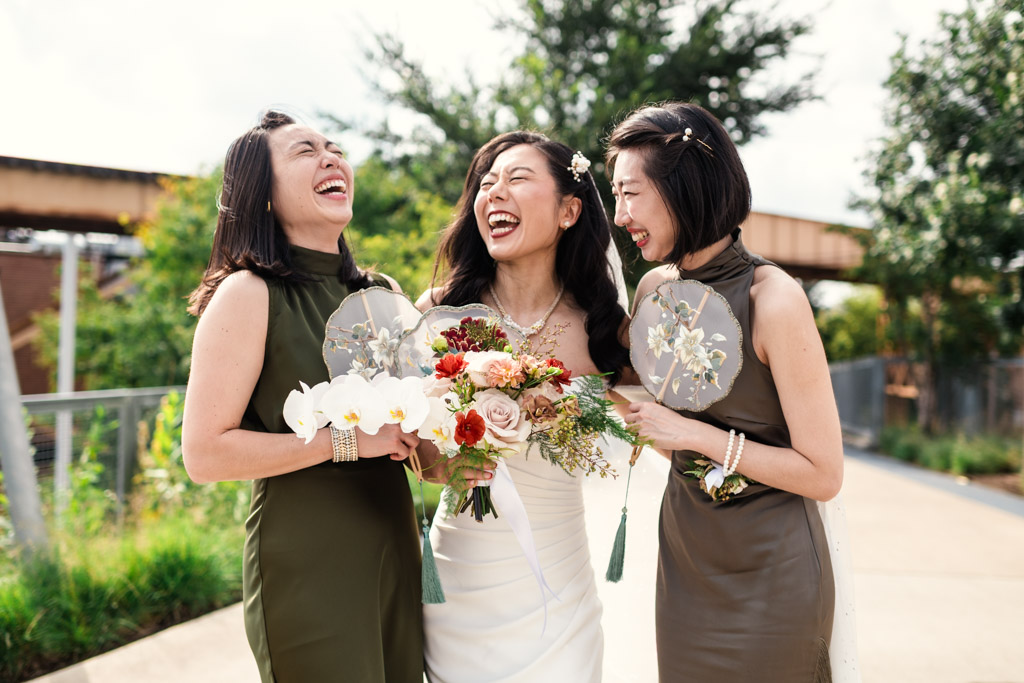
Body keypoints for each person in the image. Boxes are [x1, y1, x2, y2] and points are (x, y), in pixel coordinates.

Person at [181, 110, 423, 682]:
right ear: (262, 193)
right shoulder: (248, 293)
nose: (331, 157)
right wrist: (344, 442)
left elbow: (416, 417)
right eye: (304, 151)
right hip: (307, 561)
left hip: (394, 546)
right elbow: (205, 454)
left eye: (334, 147)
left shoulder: (383, 294)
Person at [609, 102, 845, 682]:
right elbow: (669, 439)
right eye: (614, 196)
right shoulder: (653, 290)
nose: (619, 216)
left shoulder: (776, 300)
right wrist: (573, 391)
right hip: (687, 566)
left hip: (775, 573)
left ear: (684, 187)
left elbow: (823, 473)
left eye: (630, 194)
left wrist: (697, 434)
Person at [416, 131, 630, 682]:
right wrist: (443, 455)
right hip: (461, 580)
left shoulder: (605, 330)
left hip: (561, 589)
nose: (494, 194)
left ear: (569, 210)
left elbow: (644, 428)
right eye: (486, 185)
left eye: (516, 179)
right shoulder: (439, 316)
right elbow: (420, 457)